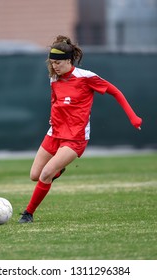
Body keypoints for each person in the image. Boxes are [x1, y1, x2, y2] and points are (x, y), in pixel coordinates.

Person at [18, 35, 142, 223]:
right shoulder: (54, 78)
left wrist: (133, 117)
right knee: (35, 175)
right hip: (54, 133)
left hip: (75, 138)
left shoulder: (86, 77)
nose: (54, 67)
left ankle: (28, 213)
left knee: (45, 174)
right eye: (51, 63)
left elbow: (115, 91)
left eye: (57, 63)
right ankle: (58, 171)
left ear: (68, 61)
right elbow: (56, 102)